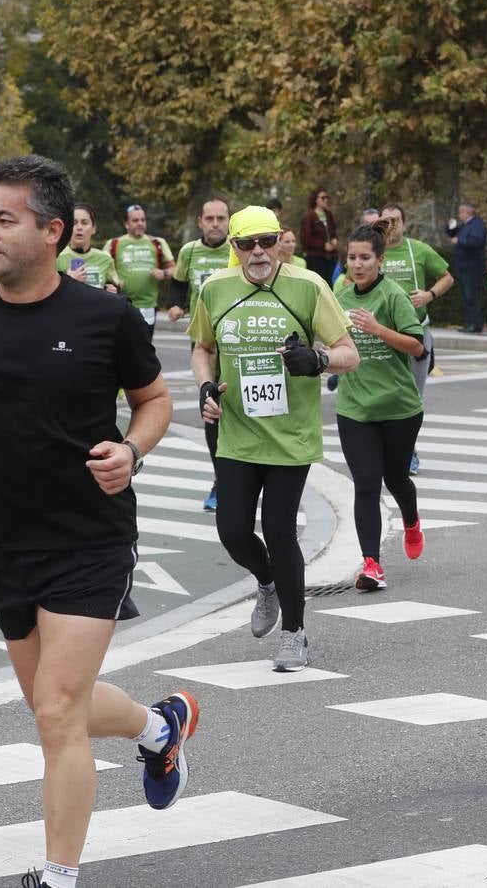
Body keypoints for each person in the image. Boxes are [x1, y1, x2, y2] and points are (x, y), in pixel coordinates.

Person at [0, 154, 193, 888]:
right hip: (6, 539)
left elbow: (157, 398)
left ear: (54, 232)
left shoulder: (103, 318)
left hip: (90, 536)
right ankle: (158, 727)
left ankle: (58, 877)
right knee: (50, 706)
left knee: (57, 712)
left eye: (6, 220)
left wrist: (132, 450)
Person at [189, 206, 359, 671]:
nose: (258, 252)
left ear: (282, 241)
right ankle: (266, 584)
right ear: (234, 248)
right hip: (236, 431)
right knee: (233, 531)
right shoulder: (215, 289)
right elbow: (203, 348)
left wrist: (318, 361)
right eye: (247, 244)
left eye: (267, 241)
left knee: (280, 531)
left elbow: (350, 353)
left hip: (290, 435)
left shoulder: (309, 286)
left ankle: (294, 633)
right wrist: (205, 386)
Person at [333, 221, 428, 591]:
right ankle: (371, 564)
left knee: (396, 478)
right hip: (355, 409)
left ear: (380, 260)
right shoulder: (338, 301)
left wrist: (377, 329)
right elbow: (328, 341)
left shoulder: (392, 296)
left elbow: (417, 347)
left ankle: (411, 519)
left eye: (365, 258)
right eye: (352, 258)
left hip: (399, 407)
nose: (357, 265)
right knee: (367, 484)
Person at [378, 203, 454, 475]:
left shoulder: (418, 250)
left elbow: (447, 277)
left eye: (395, 220)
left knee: (412, 396)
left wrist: (429, 295)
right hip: (381, 334)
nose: (391, 225)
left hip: (416, 331)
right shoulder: (374, 250)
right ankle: (386, 451)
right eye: (385, 221)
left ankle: (408, 453)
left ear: (405, 224)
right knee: (385, 395)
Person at [169, 197, 233, 513]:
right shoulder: (189, 251)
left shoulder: (238, 250)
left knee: (237, 408)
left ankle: (242, 478)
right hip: (202, 342)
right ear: (200, 221)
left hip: (236, 342)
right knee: (210, 407)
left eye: (221, 218)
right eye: (210, 218)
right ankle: (221, 481)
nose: (216, 224)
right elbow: (178, 283)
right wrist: (177, 304)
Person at [106, 203, 175, 337]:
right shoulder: (114, 243)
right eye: (135, 220)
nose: (140, 223)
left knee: (145, 347)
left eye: (143, 220)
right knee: (122, 348)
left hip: (148, 305)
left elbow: (175, 269)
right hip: (122, 304)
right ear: (126, 223)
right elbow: (103, 270)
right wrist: (115, 280)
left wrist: (164, 273)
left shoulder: (157, 242)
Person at [56, 203, 121, 292]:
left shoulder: (105, 258)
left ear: (93, 228)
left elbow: (117, 286)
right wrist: (68, 281)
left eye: (84, 222)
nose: (79, 227)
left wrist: (114, 290)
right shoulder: (57, 257)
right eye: (74, 223)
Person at [447, 201, 487, 333]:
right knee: (466, 297)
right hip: (464, 266)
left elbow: (477, 241)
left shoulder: (477, 225)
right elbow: (453, 233)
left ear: (467, 212)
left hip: (472, 266)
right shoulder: (465, 226)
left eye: (460, 212)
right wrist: (451, 227)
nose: (459, 215)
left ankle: (475, 324)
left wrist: (460, 241)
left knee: (472, 296)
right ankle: (471, 323)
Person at [299, 187, 338, 280]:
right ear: (315, 199)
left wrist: (334, 239)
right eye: (323, 197)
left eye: (327, 197)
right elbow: (306, 238)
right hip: (315, 258)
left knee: (329, 284)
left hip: (330, 257)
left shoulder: (329, 215)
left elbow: (333, 232)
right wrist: (323, 245)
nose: (326, 200)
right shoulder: (309, 217)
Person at [332, 208, 380, 284]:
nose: (372, 228)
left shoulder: (390, 246)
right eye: (368, 224)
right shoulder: (351, 247)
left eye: (375, 224)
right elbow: (336, 278)